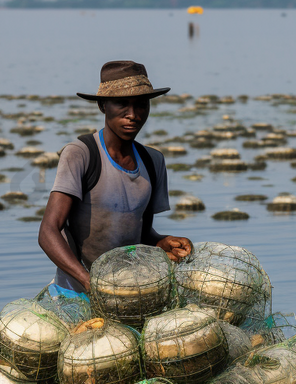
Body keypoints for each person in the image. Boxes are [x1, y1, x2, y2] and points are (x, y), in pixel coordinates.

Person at [39, 60, 192, 293]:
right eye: (122, 104)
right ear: (102, 105)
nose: (133, 115)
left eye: (141, 105)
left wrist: (162, 242)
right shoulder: (82, 153)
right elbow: (48, 231)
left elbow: (139, 233)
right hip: (77, 291)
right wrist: (88, 281)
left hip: (130, 289)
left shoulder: (153, 161)